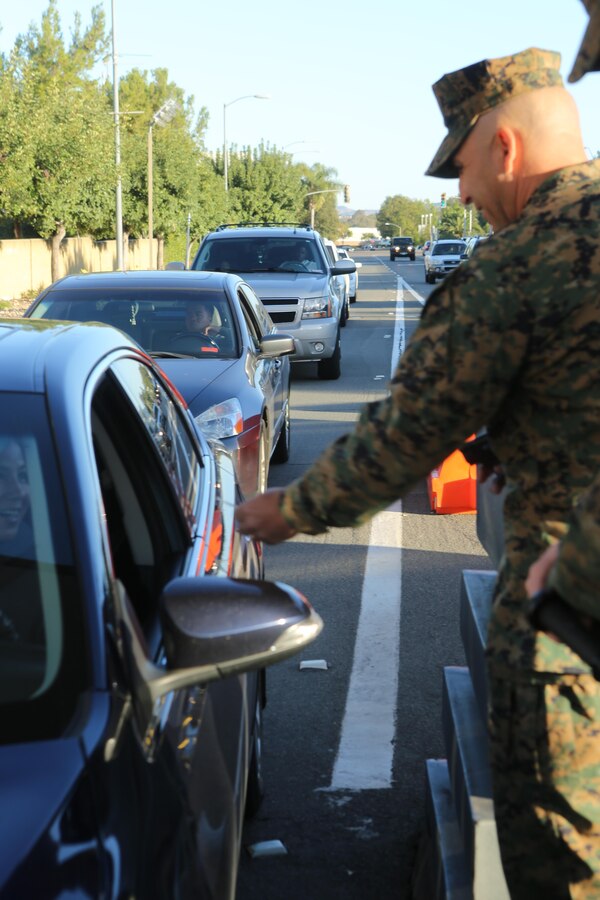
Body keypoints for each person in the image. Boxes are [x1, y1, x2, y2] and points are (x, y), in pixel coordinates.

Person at [236, 47, 600, 897]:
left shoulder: (515, 269)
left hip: (571, 649)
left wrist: (288, 512)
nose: (465, 196)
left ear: (504, 148)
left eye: (464, 169)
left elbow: (407, 435)